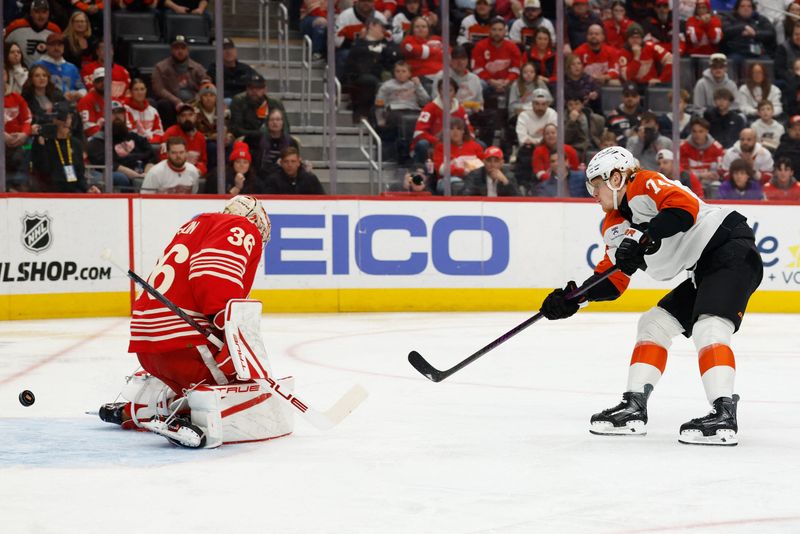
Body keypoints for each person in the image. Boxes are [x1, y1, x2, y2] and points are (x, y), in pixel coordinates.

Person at [540, 146, 763, 446]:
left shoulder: (643, 183)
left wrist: (644, 237)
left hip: (731, 250)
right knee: (652, 324)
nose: (593, 193)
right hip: (704, 270)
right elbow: (613, 279)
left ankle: (724, 414)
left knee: (709, 326)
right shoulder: (613, 225)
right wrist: (575, 298)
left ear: (617, 177)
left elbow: (683, 208)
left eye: (596, 185)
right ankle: (634, 407)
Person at [98, 195, 291, 449]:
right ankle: (173, 415)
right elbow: (212, 278)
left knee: (200, 387)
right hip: (184, 345)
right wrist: (228, 334)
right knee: (243, 388)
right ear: (255, 220)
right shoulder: (242, 227)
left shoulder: (197, 225)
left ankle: (135, 410)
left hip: (149, 345)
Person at [30, 101, 99, 193]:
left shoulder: (75, 143)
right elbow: (42, 170)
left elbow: (80, 174)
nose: (66, 121)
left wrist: (87, 188)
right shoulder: (44, 142)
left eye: (69, 117)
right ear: (53, 120)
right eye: (63, 118)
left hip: (73, 191)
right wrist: (40, 145)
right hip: (49, 192)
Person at [343, 17, 401, 123]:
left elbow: (396, 55)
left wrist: (383, 49)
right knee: (369, 81)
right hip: (365, 77)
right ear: (371, 26)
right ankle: (364, 115)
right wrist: (371, 52)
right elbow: (353, 63)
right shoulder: (359, 44)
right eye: (381, 27)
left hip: (387, 75)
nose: (383, 30)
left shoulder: (387, 44)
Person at [87, 101, 154, 189]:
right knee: (121, 178)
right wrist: (136, 176)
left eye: (120, 112)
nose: (117, 116)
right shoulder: (98, 140)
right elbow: (106, 163)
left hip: (142, 173)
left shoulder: (133, 137)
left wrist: (147, 173)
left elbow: (151, 155)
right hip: (116, 176)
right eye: (113, 113)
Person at [375, 60, 430, 162]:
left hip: (412, 110)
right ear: (394, 73)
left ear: (409, 73)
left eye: (403, 71)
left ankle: (412, 153)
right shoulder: (387, 86)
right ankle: (402, 154)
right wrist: (380, 119)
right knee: (400, 120)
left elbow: (426, 101)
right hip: (394, 110)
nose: (400, 74)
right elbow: (379, 103)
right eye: (398, 71)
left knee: (416, 121)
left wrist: (419, 86)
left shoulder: (414, 85)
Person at [411, 77, 473, 164]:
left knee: (480, 144)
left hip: (456, 142)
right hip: (434, 143)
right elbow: (419, 132)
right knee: (422, 144)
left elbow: (469, 130)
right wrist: (436, 141)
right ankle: (420, 171)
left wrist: (464, 141)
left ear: (455, 93)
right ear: (439, 91)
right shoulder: (430, 108)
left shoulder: (460, 110)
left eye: (450, 90)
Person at [152, 35, 208, 128]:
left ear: (187, 50)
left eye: (183, 48)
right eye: (176, 48)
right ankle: (170, 133)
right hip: (172, 102)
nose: (180, 51)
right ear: (171, 50)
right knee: (163, 104)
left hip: (194, 102)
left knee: (208, 100)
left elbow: (206, 83)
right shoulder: (161, 67)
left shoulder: (197, 67)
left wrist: (198, 98)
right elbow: (159, 89)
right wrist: (176, 101)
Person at [230, 73, 288, 154]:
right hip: (247, 140)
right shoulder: (239, 101)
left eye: (258, 88)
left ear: (265, 89)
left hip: (273, 138)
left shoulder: (274, 103)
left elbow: (286, 127)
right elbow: (236, 129)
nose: (254, 91)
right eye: (251, 88)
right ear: (247, 89)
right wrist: (259, 134)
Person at [432, 117, 485, 194]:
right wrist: (462, 171)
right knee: (458, 185)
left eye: (459, 129)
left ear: (463, 131)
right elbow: (440, 169)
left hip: (472, 180)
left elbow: (482, 165)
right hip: (448, 180)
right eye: (452, 129)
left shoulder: (476, 146)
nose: (455, 132)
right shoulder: (441, 147)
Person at [4, 0, 61, 66]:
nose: (41, 16)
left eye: (44, 12)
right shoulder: (16, 26)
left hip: (46, 74)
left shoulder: (55, 30)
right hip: (19, 73)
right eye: (37, 12)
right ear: (31, 12)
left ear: (48, 13)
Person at [33, 33, 86, 103]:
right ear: (47, 47)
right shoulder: (38, 66)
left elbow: (82, 88)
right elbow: (32, 89)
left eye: (59, 45)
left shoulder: (72, 68)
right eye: (53, 45)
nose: (56, 48)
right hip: (46, 106)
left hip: (71, 106)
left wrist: (79, 94)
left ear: (63, 47)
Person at [680, 116, 726, 196]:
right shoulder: (683, 147)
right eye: (694, 131)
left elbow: (720, 170)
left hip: (710, 183)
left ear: (707, 131)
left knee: (716, 184)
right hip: (690, 183)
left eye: (701, 131)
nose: (697, 135)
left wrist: (716, 174)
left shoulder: (717, 148)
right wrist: (701, 175)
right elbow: (683, 172)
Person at [160, 103, 209, 177]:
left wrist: (199, 170)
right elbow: (163, 157)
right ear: (178, 118)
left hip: (193, 174)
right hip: (173, 172)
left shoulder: (201, 137)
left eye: (190, 115)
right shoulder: (170, 132)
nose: (187, 118)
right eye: (183, 115)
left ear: (195, 117)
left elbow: (203, 161)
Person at [618, 23, 673, 87]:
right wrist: (636, 57)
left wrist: (661, 80)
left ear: (642, 38)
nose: (635, 40)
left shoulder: (651, 47)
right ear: (628, 39)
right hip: (632, 85)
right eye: (632, 37)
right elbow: (626, 77)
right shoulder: (622, 52)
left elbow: (671, 59)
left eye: (638, 37)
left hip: (650, 84)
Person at [401, 16, 444, 91]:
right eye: (417, 27)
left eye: (424, 26)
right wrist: (435, 50)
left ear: (428, 28)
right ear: (412, 29)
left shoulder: (437, 39)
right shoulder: (408, 40)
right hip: (422, 77)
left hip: (442, 74)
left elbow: (449, 53)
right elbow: (416, 51)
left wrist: (429, 50)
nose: (421, 29)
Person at [255, 108, 299, 178]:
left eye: (278, 120)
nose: (275, 122)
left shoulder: (291, 142)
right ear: (267, 123)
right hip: (263, 177)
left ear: (282, 122)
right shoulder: (259, 140)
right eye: (272, 120)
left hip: (284, 178)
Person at [126, 78, 165, 145]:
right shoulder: (126, 110)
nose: (140, 92)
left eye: (142, 89)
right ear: (130, 92)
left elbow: (159, 133)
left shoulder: (153, 111)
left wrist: (150, 141)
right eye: (136, 89)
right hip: (134, 146)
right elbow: (129, 133)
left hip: (152, 144)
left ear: (146, 90)